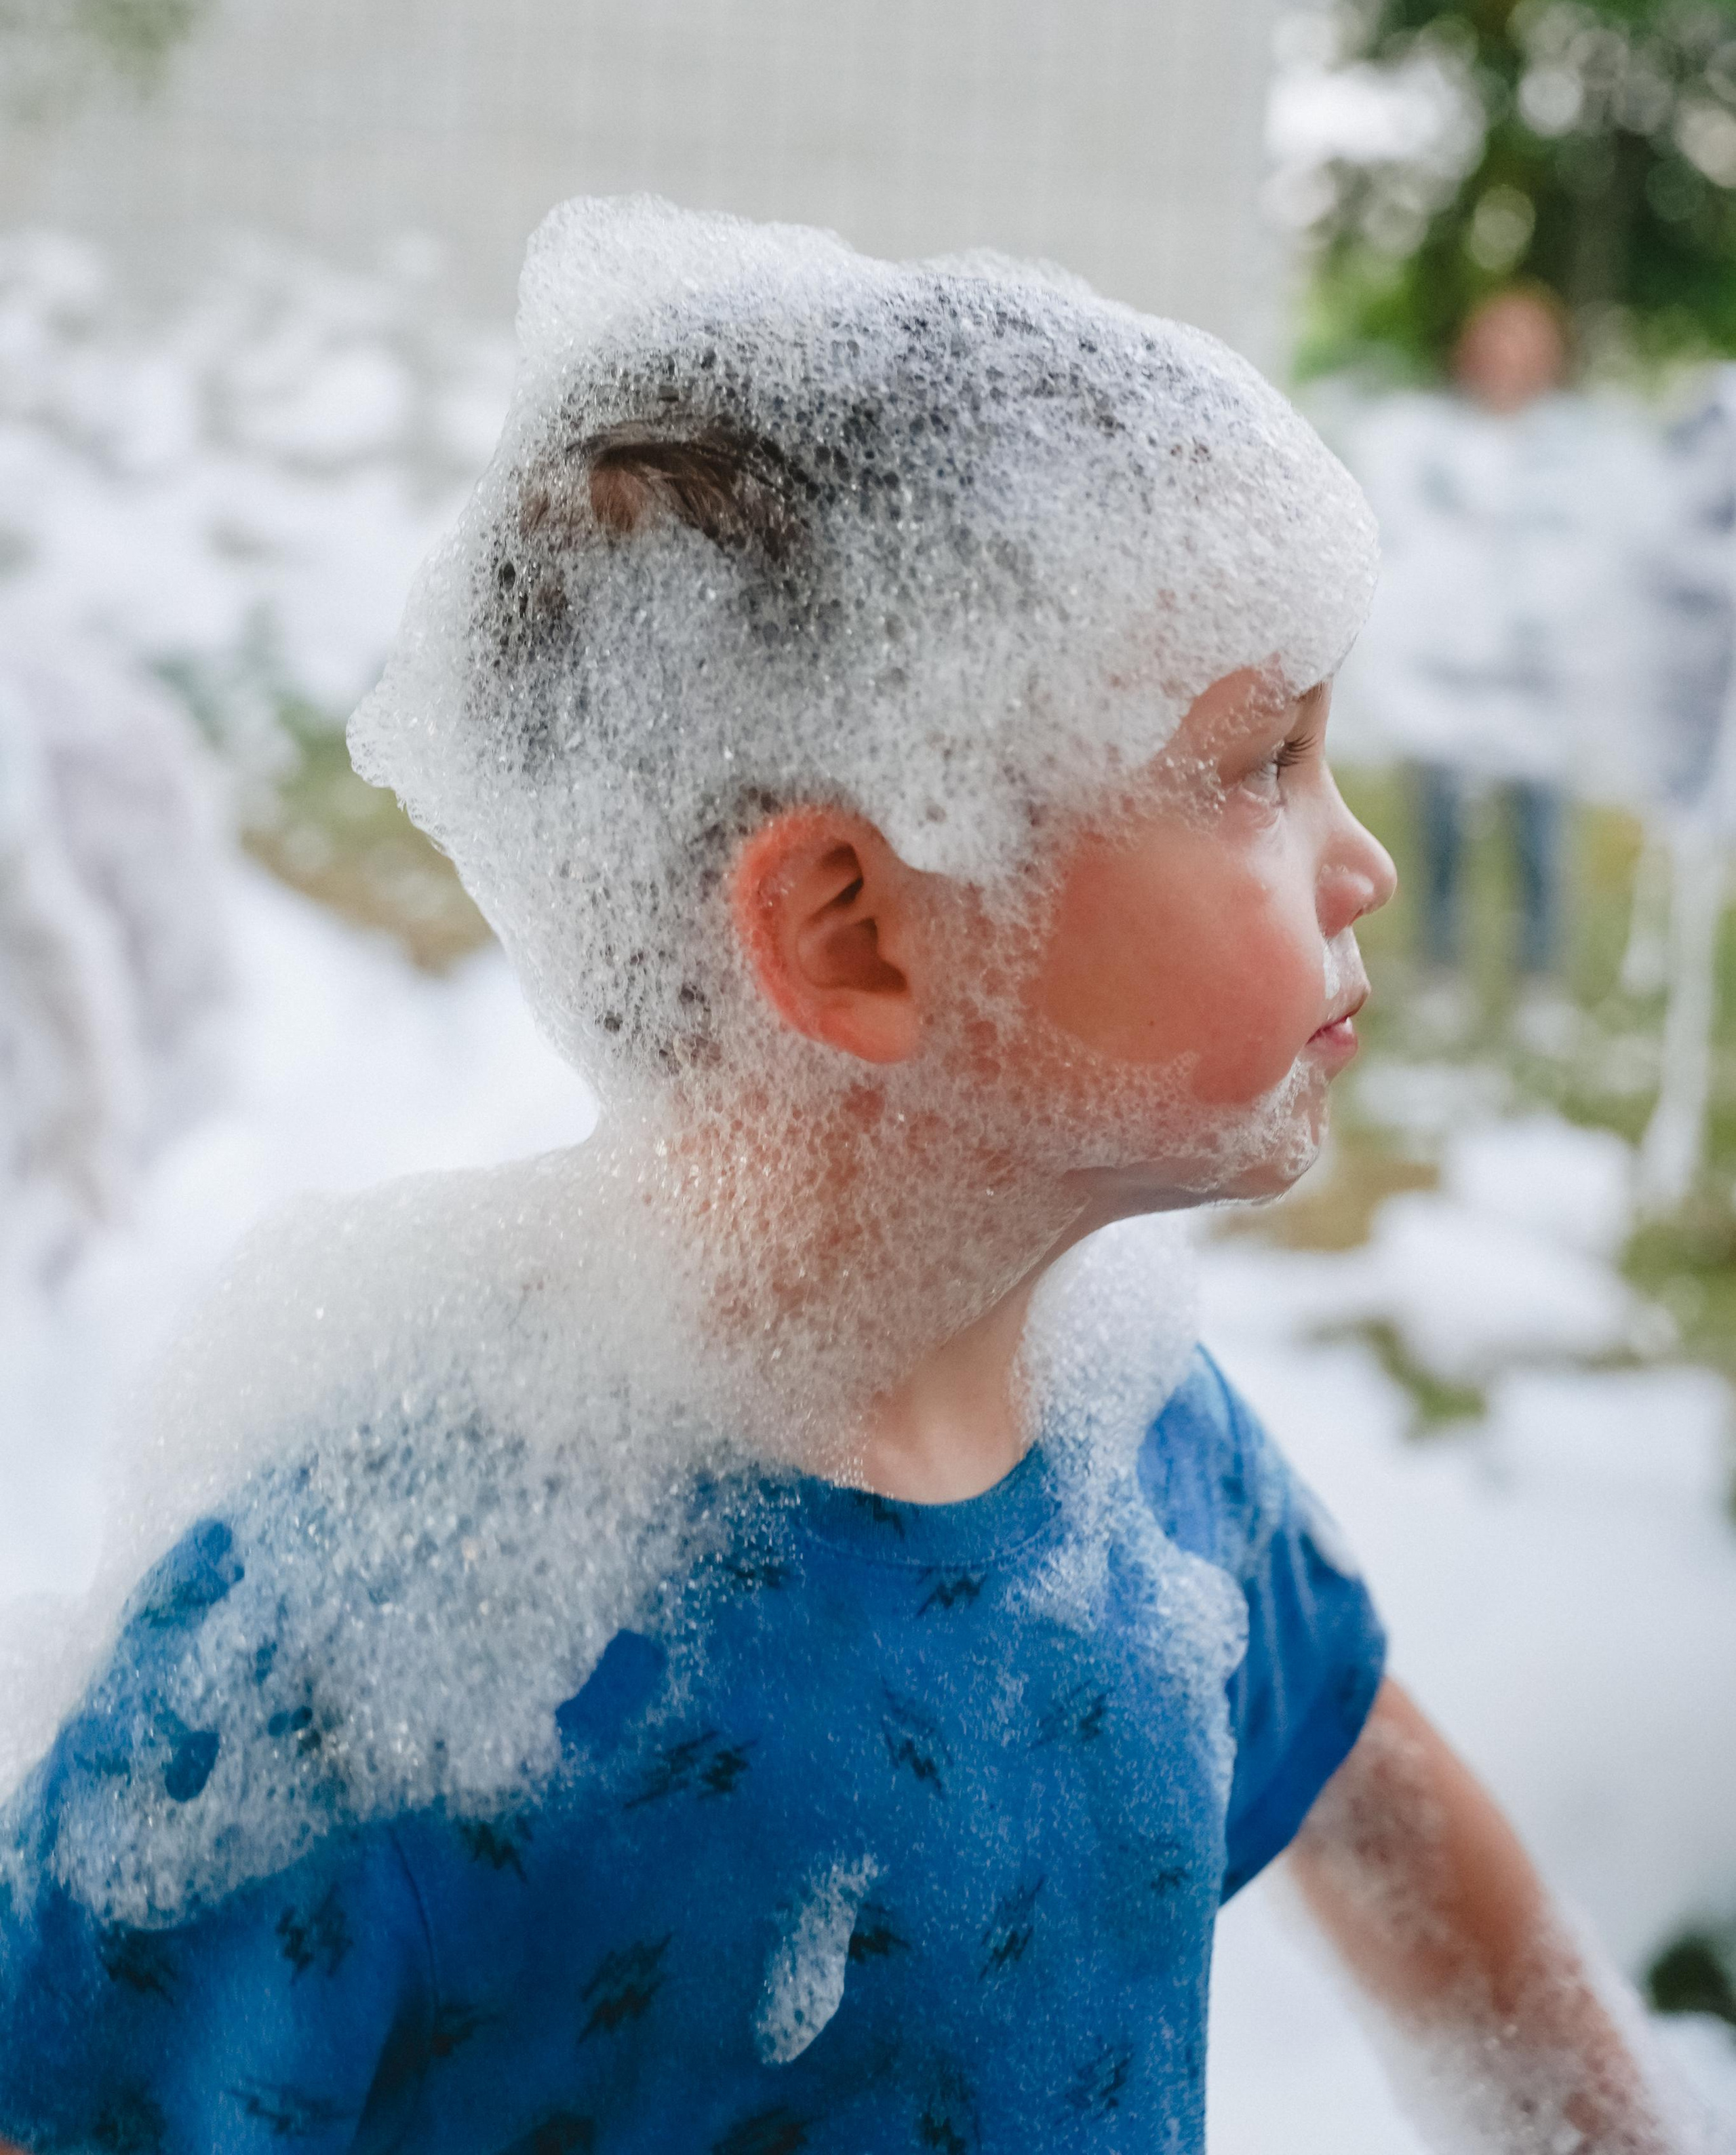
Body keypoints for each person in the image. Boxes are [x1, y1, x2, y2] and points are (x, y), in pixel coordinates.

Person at [0, 204, 1688, 2153]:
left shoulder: (1141, 1451)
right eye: (1262, 765)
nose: (1359, 860)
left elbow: (1395, 1834)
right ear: (858, 934)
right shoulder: (374, 1640)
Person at [1350, 286, 1617, 1045]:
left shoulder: (1576, 450)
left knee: (1538, 835)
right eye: (1493, 341)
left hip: (1541, 683)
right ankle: (1442, 971)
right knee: (1438, 832)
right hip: (1446, 680)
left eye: (1523, 344)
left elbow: (1597, 559)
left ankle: (1539, 980)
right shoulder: (1425, 442)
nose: (1506, 359)